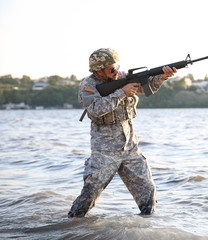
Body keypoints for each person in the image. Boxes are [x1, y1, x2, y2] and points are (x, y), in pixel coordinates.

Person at [68, 48, 176, 218]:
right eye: (111, 69)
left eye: (116, 66)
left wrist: (163, 77)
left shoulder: (122, 77)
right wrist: (122, 93)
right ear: (99, 70)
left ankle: (146, 230)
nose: (116, 71)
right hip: (105, 151)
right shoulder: (88, 85)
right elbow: (95, 109)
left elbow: (149, 86)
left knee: (148, 193)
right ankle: (70, 228)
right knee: (89, 196)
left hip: (130, 147)